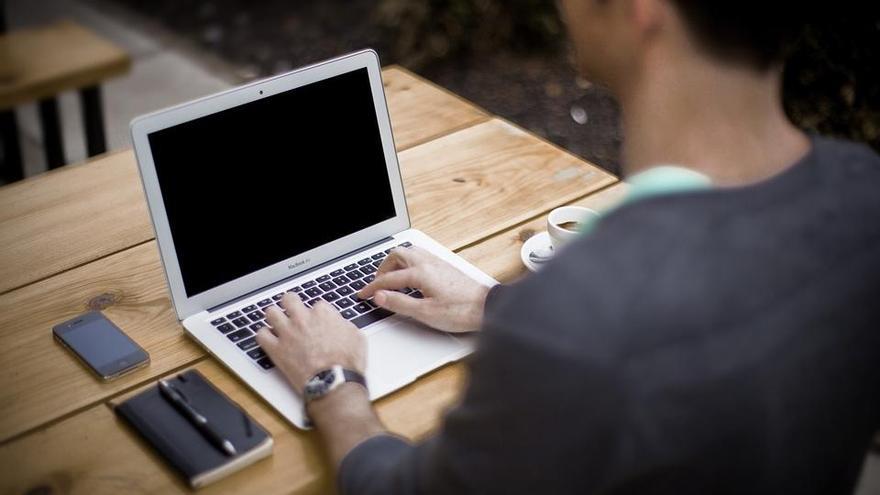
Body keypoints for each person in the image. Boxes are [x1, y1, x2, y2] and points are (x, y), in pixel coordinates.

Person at [256, 0, 880, 493]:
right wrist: (494, 304)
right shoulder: (863, 193)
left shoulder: (577, 321)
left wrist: (332, 380)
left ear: (642, 8)